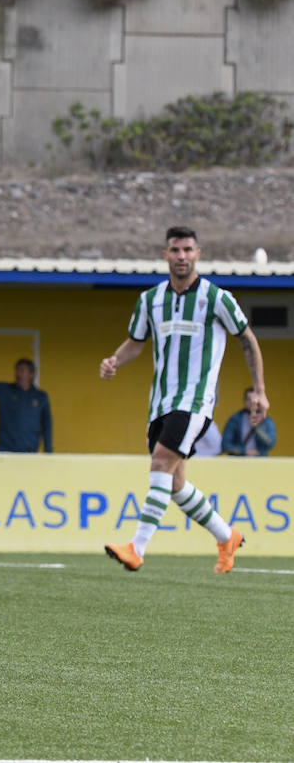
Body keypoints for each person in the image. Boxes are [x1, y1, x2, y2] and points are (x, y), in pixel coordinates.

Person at [100, 226, 268, 574]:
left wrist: (260, 391)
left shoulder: (217, 298)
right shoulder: (150, 300)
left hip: (195, 400)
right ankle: (227, 536)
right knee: (175, 484)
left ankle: (137, 547)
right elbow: (136, 341)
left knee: (160, 464)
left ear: (198, 254)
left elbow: (247, 340)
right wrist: (115, 359)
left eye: (187, 250)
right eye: (175, 250)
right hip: (160, 400)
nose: (181, 256)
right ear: (166, 255)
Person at [221, 387, 277, 457]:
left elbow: (271, 444)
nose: (252, 402)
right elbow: (225, 445)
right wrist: (244, 451)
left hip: (259, 461)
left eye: (255, 400)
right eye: (249, 399)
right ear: (244, 400)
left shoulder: (266, 421)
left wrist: (257, 429)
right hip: (239, 461)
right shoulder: (235, 419)